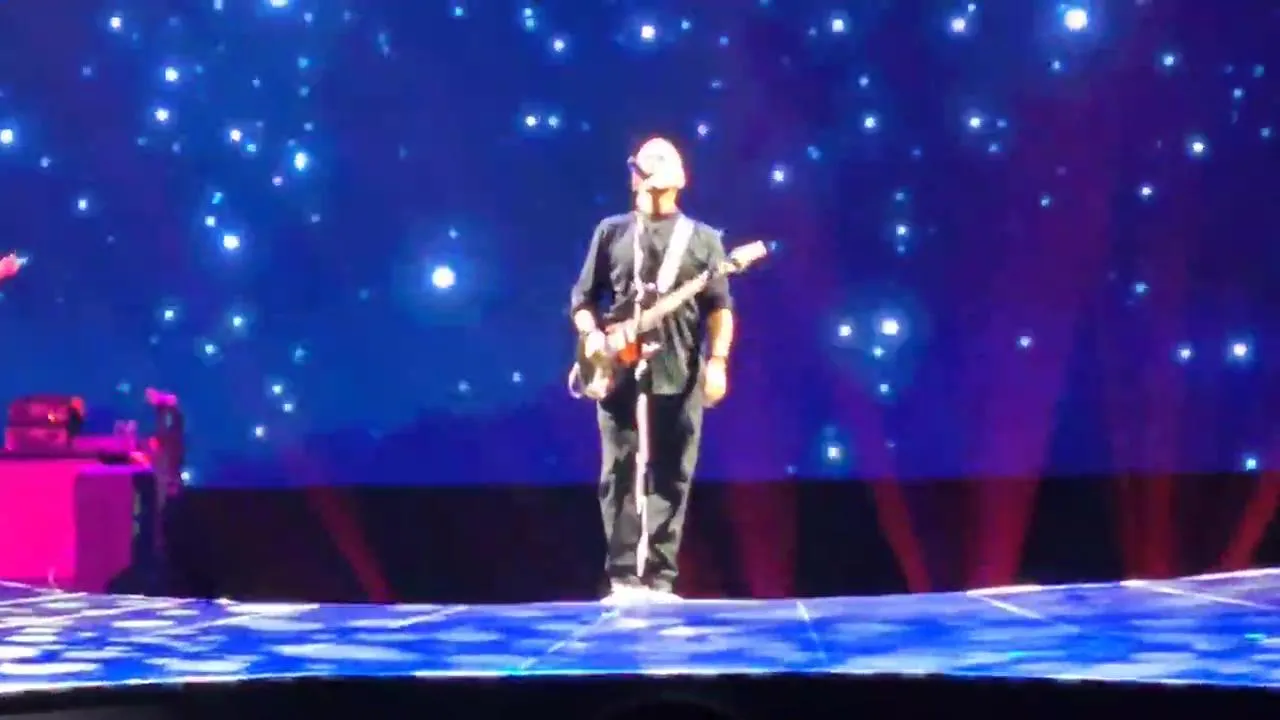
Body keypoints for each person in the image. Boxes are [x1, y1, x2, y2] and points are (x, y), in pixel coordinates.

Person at [569, 137, 735, 603]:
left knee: (673, 472)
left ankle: (660, 579)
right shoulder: (612, 232)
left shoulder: (703, 240)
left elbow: (719, 309)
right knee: (618, 471)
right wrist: (591, 336)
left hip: (679, 366)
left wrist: (718, 362)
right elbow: (583, 300)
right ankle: (623, 578)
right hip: (617, 366)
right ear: (635, 180)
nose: (651, 187)